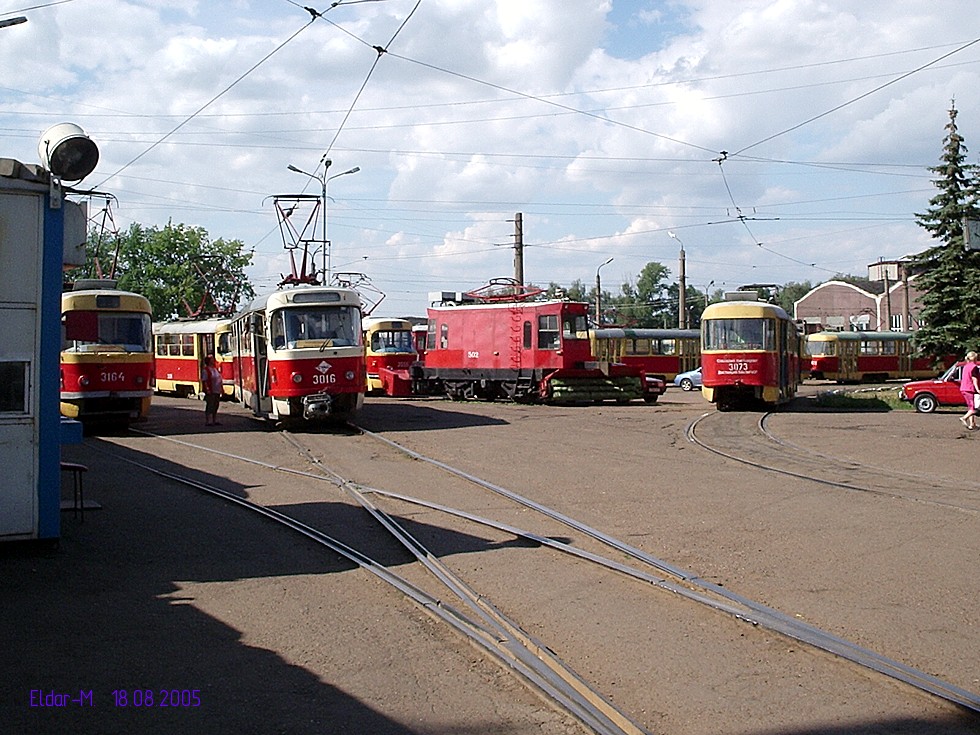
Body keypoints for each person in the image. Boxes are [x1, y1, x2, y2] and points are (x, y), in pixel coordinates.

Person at [958, 350, 979, 429]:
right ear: (975, 358)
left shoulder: (966, 366)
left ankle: (972, 424)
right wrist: (978, 389)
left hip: (963, 388)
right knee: (974, 409)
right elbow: (974, 379)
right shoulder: (974, 367)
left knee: (970, 407)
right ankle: (964, 418)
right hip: (969, 389)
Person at [201, 355, 224, 426]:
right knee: (210, 405)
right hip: (211, 390)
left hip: (217, 389)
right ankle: (208, 421)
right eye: (212, 359)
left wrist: (221, 388)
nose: (213, 360)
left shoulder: (215, 369)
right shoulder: (206, 370)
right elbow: (204, 381)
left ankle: (214, 420)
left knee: (215, 405)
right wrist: (207, 389)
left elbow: (219, 379)